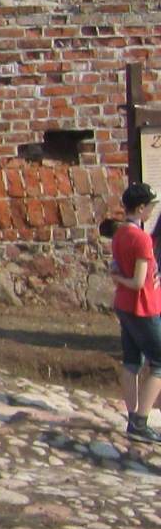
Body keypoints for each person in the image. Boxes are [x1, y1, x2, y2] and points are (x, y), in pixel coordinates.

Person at [111, 182, 161, 441]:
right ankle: (141, 422)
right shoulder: (141, 238)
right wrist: (122, 279)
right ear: (141, 208)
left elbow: (119, 269)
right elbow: (139, 282)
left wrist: (119, 279)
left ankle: (132, 419)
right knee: (159, 364)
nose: (152, 211)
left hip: (124, 305)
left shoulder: (120, 234)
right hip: (143, 307)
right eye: (151, 206)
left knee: (131, 363)